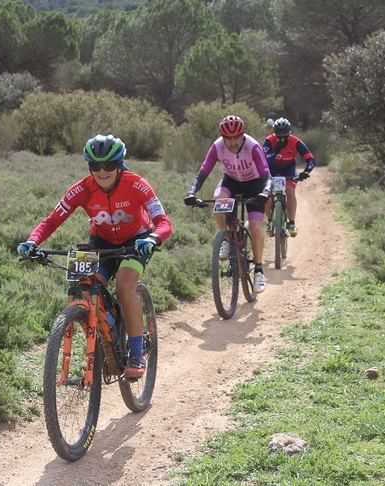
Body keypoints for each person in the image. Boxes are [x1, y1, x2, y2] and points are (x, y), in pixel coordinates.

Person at [17, 134, 172, 379]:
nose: (102, 172)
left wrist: (153, 238)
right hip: (101, 243)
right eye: (95, 166)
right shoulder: (81, 189)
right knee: (87, 287)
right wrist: (32, 241)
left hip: (136, 241)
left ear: (120, 164)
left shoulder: (137, 184)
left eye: (109, 166)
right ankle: (107, 328)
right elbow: (52, 220)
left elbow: (163, 222)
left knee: (124, 285)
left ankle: (134, 352)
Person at [184, 115, 271, 293]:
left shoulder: (253, 147)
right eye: (228, 138)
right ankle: (226, 237)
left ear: (242, 135)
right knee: (219, 201)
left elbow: (266, 176)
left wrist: (264, 193)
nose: (232, 143)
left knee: (255, 228)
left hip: (255, 185)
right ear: (222, 137)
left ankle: (259, 271)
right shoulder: (217, 146)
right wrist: (192, 192)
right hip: (231, 182)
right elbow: (203, 172)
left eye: (236, 138)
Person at [262, 117, 316, 237]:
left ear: (289, 134)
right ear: (274, 133)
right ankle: (270, 222)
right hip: (272, 168)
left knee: (290, 191)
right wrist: (276, 150)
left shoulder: (295, 142)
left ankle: (291, 223)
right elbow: (263, 159)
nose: (281, 139)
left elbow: (310, 159)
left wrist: (306, 171)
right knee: (267, 194)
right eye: (278, 136)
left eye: (285, 136)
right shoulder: (269, 140)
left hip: (288, 168)